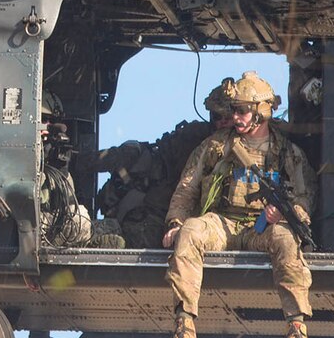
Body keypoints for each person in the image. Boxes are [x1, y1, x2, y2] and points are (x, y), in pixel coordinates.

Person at [162, 71, 315, 338]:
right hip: (222, 222)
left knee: (287, 242)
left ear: (261, 112)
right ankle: (185, 324)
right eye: (234, 110)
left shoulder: (287, 153)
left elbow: (305, 199)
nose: (237, 117)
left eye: (243, 110)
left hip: (262, 229)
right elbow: (186, 189)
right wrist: (176, 223)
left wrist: (283, 214)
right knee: (191, 232)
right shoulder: (216, 146)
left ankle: (296, 326)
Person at [93, 83, 232, 249]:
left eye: (228, 117)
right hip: (168, 214)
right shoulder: (194, 141)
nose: (223, 122)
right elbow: (185, 188)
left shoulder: (255, 146)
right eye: (218, 117)